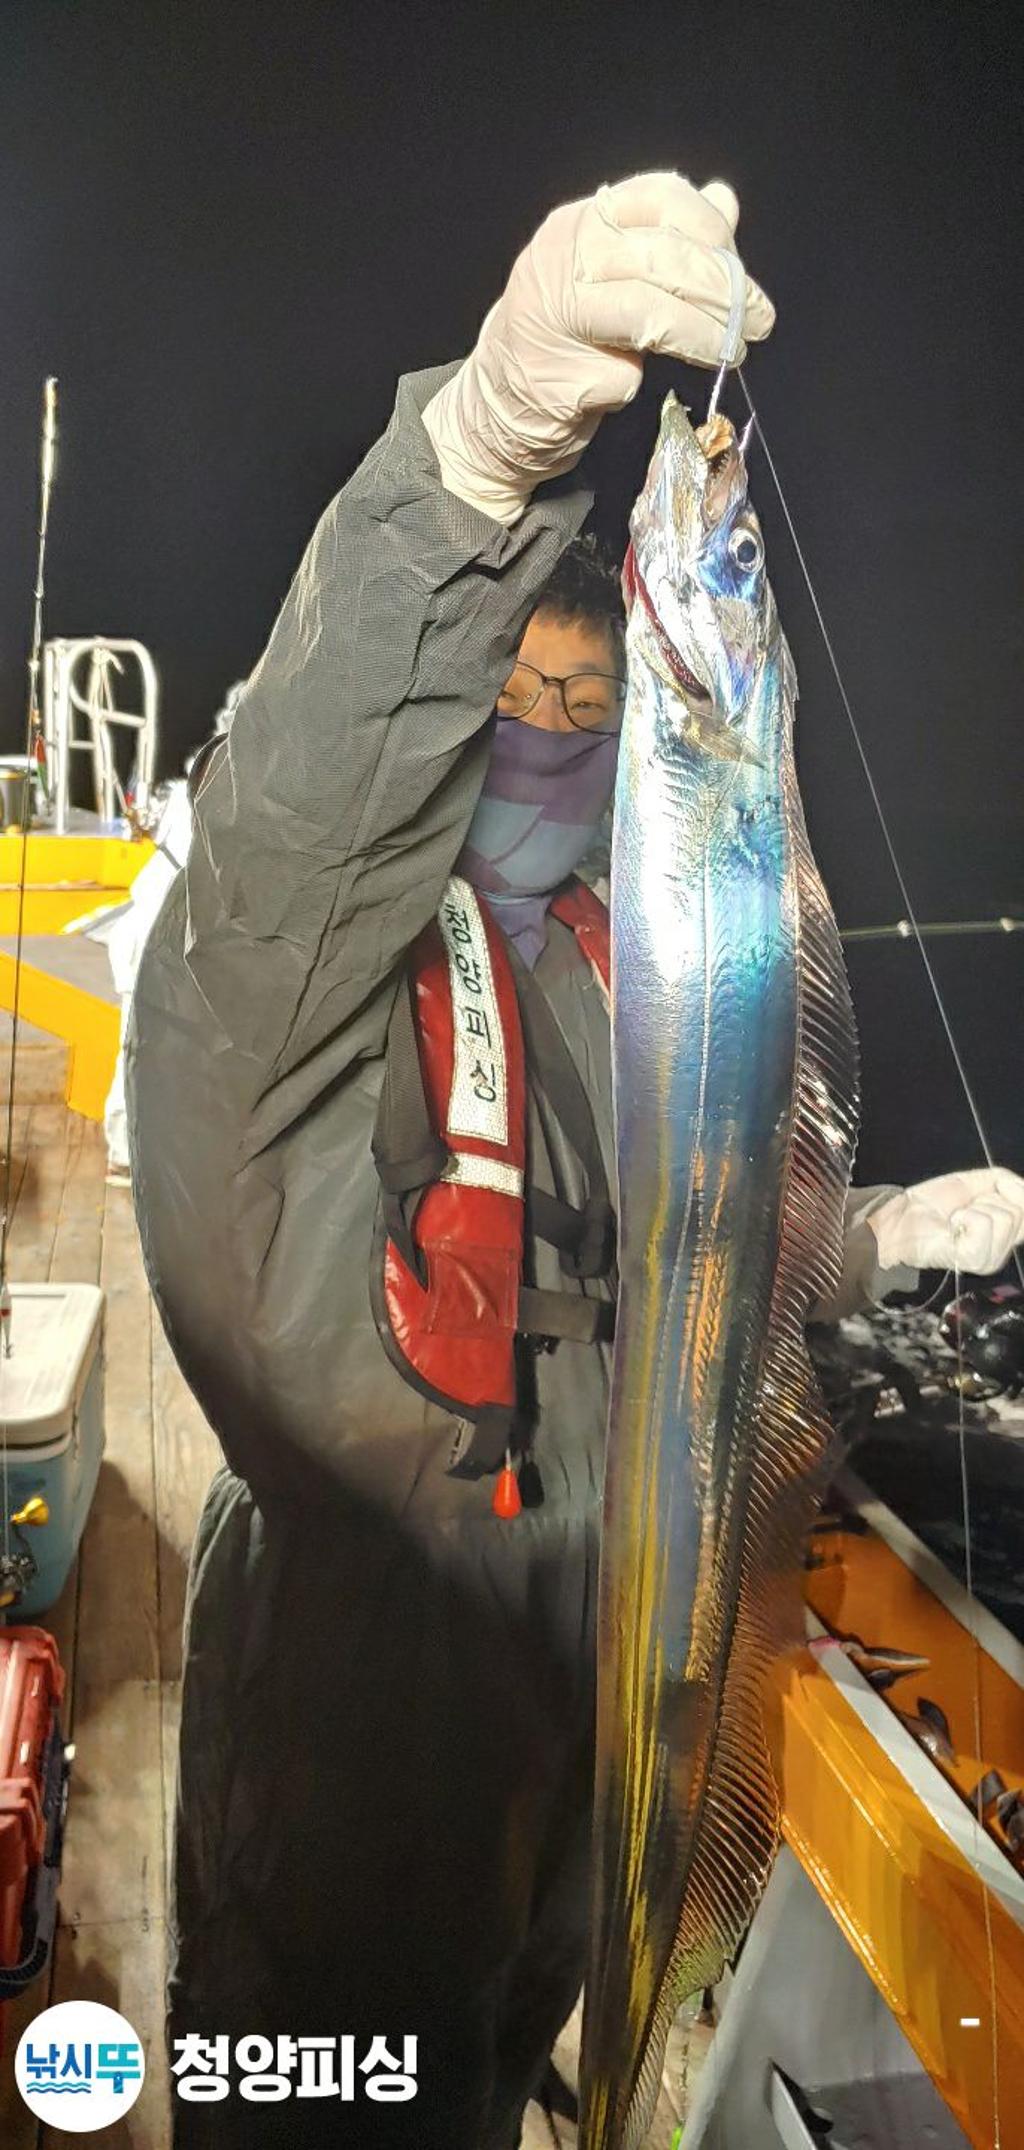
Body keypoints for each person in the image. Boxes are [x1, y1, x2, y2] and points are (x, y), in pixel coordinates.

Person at [126, 172, 1024, 2149]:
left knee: (542, 2062)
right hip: (340, 1795)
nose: (543, 736)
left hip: (573, 1764)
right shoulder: (311, 978)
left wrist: (877, 1239)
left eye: (579, 703)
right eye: (507, 702)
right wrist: (469, 468)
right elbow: (295, 832)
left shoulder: (616, 973)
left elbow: (697, 1245)